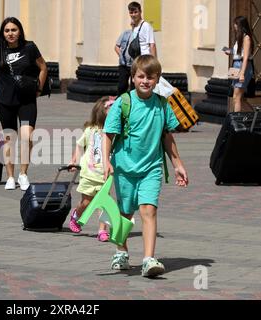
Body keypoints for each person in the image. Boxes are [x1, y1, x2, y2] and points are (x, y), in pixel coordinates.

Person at [102, 55, 189, 278]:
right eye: (141, 76)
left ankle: (148, 259)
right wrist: (105, 161)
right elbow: (108, 134)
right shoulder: (124, 102)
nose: (145, 81)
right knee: (124, 213)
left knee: (148, 210)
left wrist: (177, 163)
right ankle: (121, 251)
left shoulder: (162, 104)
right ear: (132, 78)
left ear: (157, 79)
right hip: (124, 169)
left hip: (151, 168)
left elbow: (167, 136)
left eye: (151, 77)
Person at [0, 17, 48, 191]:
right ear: (3, 33)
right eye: (7, 30)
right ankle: (11, 177)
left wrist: (39, 89)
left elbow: (43, 67)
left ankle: (23, 174)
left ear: (19, 31)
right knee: (9, 139)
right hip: (6, 101)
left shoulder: (30, 47)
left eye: (14, 30)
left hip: (26, 101)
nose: (10, 33)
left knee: (27, 136)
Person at [68, 96, 115, 242]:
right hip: (88, 174)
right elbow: (79, 144)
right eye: (111, 109)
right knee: (86, 202)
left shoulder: (114, 132)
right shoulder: (90, 130)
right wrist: (74, 159)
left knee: (103, 203)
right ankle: (76, 215)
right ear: (102, 111)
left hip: (104, 175)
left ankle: (102, 231)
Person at [115, 2, 157, 95]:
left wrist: (154, 63)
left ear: (140, 12)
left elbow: (152, 45)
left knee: (138, 87)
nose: (133, 14)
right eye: (131, 12)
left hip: (144, 61)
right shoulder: (135, 27)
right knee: (127, 86)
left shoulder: (146, 26)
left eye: (135, 12)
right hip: (135, 62)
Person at [225, 16, 255, 112]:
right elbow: (238, 52)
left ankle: (236, 123)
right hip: (236, 65)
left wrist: (242, 73)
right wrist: (230, 51)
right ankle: (255, 117)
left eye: (236, 24)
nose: (234, 26)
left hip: (243, 66)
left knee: (236, 97)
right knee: (240, 98)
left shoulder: (246, 38)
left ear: (240, 25)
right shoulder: (240, 38)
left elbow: (245, 57)